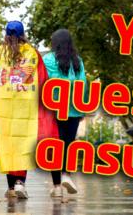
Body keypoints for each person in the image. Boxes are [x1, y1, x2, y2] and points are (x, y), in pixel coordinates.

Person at [0, 21, 58, 199]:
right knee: (23, 144)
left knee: (9, 145)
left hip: (3, 108)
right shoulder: (32, 53)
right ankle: (20, 182)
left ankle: (11, 187)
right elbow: (43, 78)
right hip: (27, 108)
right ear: (23, 34)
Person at [43, 29, 87, 197]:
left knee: (55, 147)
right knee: (68, 144)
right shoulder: (78, 61)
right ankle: (67, 175)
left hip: (53, 109)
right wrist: (81, 108)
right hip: (74, 110)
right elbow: (82, 85)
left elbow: (44, 82)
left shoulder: (47, 59)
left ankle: (56, 186)